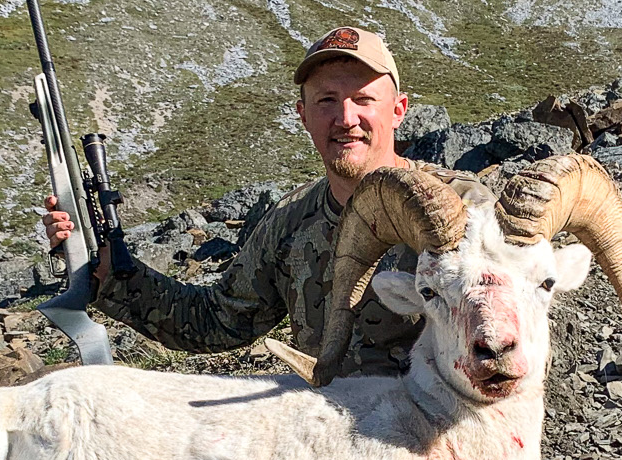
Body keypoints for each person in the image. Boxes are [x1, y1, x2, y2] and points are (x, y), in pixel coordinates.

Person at [44, 26, 469, 380]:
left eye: (363, 99)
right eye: (326, 101)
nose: (345, 118)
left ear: (398, 110)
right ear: (303, 115)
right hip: (332, 436)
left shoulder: (459, 208)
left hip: (433, 435)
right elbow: (216, 320)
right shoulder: (290, 220)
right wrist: (110, 275)